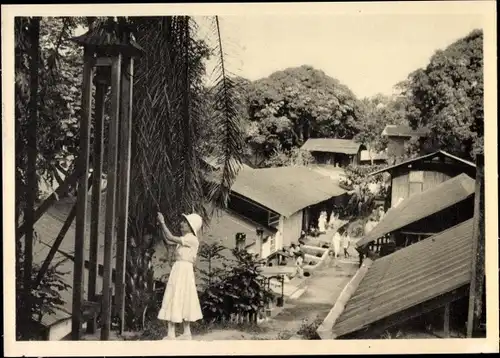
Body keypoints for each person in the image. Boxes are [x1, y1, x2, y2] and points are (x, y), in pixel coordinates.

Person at [156, 212, 203, 340]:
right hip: (181, 270)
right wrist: (161, 226)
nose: (181, 224)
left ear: (190, 227)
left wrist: (162, 222)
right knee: (179, 296)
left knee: (176, 295)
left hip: (183, 270)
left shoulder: (191, 239)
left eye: (185, 222)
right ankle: (185, 332)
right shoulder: (185, 240)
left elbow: (170, 237)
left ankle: (172, 333)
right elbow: (167, 239)